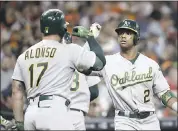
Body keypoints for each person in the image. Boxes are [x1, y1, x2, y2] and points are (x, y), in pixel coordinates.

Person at [11, 9, 106, 130]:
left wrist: (20, 123)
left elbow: (16, 91)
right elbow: (99, 63)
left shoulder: (24, 55)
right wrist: (90, 37)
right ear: (62, 28)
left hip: (30, 113)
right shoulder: (69, 49)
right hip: (55, 110)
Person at [89, 19, 177, 130]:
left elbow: (164, 93)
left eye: (128, 33)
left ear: (137, 37)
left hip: (150, 120)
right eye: (121, 33)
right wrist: (90, 38)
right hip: (125, 121)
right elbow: (83, 64)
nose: (123, 36)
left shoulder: (150, 64)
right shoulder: (107, 62)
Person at [63, 23, 101, 130]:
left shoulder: (50, 61)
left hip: (55, 110)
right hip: (77, 112)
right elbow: (94, 92)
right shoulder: (81, 57)